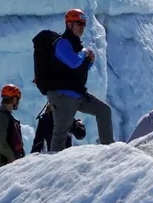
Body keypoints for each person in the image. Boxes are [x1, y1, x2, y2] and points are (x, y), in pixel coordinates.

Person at [46, 8, 114, 152]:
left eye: (83, 24)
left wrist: (89, 62)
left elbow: (77, 70)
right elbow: (73, 62)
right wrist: (84, 53)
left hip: (77, 94)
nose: (82, 27)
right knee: (60, 135)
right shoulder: (62, 43)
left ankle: (109, 150)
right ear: (69, 24)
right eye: (78, 23)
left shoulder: (75, 45)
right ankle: (53, 168)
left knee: (104, 111)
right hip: (63, 96)